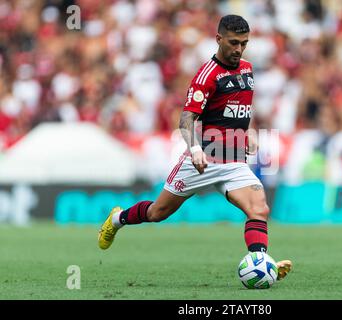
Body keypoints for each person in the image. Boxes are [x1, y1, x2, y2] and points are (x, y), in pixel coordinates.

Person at [98, 15, 292, 281]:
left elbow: (238, 107)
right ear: (219, 39)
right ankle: (118, 219)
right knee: (158, 212)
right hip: (203, 159)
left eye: (244, 43)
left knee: (259, 208)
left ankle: (260, 262)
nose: (238, 49)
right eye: (233, 43)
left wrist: (249, 131)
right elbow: (187, 118)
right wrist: (195, 149)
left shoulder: (247, 69)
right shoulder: (206, 76)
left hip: (234, 160)